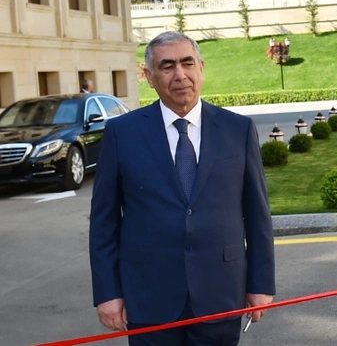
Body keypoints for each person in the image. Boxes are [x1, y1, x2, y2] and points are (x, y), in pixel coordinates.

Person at [89, 31, 275, 346]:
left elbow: (258, 215)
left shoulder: (237, 130)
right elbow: (104, 221)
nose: (180, 75)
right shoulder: (122, 133)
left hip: (220, 294)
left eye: (187, 63)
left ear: (201, 67)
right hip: (149, 299)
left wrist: (261, 283)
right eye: (167, 66)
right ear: (149, 76)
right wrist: (108, 293)